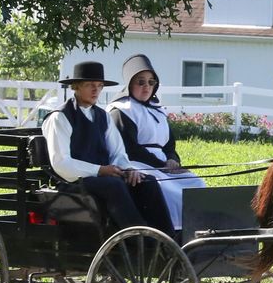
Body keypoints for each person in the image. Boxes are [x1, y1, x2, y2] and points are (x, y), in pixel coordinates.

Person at [41, 60, 175, 238]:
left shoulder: (103, 116)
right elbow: (61, 163)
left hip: (102, 177)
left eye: (99, 86)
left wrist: (127, 169)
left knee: (146, 181)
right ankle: (138, 237)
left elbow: (117, 152)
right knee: (113, 185)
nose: (96, 90)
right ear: (76, 87)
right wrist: (100, 170)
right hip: (73, 182)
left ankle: (167, 237)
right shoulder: (60, 118)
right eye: (90, 85)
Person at [107, 54, 207, 236]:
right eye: (141, 82)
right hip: (136, 164)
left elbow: (169, 144)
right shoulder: (121, 110)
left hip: (163, 165)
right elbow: (130, 149)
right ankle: (175, 235)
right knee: (168, 190)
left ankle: (199, 230)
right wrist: (161, 165)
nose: (147, 87)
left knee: (196, 184)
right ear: (130, 83)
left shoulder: (158, 110)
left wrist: (172, 160)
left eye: (151, 82)